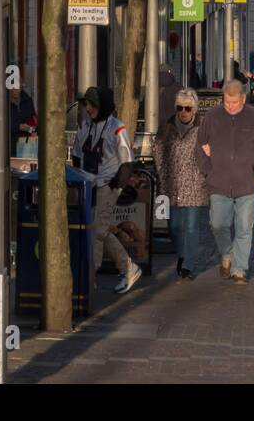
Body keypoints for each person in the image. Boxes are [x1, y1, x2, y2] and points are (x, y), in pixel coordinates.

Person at [197, 79, 254, 285]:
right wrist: (207, 170)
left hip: (247, 182)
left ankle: (239, 269)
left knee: (244, 228)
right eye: (227, 102)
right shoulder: (212, 117)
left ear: (243, 98)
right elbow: (200, 145)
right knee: (218, 224)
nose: (230, 106)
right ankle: (227, 254)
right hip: (218, 182)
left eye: (234, 103)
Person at [72, 87, 142, 294]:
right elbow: (77, 154)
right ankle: (125, 269)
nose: (88, 108)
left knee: (98, 230)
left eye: (92, 105)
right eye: (86, 104)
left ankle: (90, 275)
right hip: (88, 185)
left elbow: (127, 161)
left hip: (106, 184)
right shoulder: (84, 126)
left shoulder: (116, 127)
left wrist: (115, 185)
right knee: (97, 229)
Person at [155, 88, 208, 280]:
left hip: (194, 184)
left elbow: (211, 154)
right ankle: (182, 254)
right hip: (172, 185)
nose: (183, 112)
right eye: (180, 108)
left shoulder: (203, 128)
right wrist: (162, 176)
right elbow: (158, 152)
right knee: (175, 226)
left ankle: (189, 265)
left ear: (194, 110)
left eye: (187, 108)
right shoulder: (167, 128)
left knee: (192, 226)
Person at [9, 84, 37, 154]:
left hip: (26, 144)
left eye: (18, 87)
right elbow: (0, 125)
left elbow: (33, 118)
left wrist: (33, 129)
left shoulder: (28, 100)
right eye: (13, 87)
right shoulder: (3, 103)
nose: (15, 90)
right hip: (9, 144)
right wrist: (18, 127)